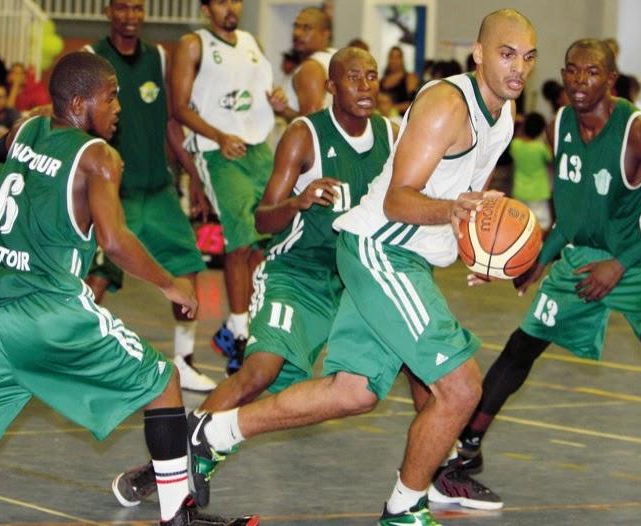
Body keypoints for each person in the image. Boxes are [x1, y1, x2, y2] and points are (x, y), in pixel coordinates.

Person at [0, 51, 257, 526]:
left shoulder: (30, 130)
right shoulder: (100, 157)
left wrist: (35, 118)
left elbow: (1, 150)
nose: (119, 106)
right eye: (111, 96)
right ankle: (175, 519)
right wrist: (171, 286)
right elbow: (114, 240)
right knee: (163, 381)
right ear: (80, 102)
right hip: (47, 307)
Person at [182, 11, 535, 525]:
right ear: (479, 53)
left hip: (404, 254)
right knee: (460, 388)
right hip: (382, 249)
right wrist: (457, 213)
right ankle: (405, 509)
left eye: (528, 57)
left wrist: (477, 250)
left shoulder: (501, 115)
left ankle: (214, 433)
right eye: (507, 54)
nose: (518, 68)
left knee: (353, 391)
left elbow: (458, 199)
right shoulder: (445, 105)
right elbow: (399, 200)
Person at [454, 39, 641, 526]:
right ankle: (465, 452)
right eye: (572, 72)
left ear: (611, 80)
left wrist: (620, 264)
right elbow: (571, 213)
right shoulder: (561, 124)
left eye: (592, 73)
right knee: (522, 345)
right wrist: (538, 260)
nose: (580, 82)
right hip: (587, 253)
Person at [81, 0, 217, 392]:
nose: (130, 16)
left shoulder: (159, 57)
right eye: (122, 8)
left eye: (137, 8)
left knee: (187, 267)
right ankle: (81, 358)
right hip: (112, 191)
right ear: (109, 11)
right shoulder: (91, 58)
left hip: (158, 189)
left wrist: (194, 179)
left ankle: (184, 360)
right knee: (98, 278)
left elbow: (172, 125)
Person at [172, 0, 285, 375]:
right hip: (218, 152)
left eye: (235, 0)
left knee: (267, 239)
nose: (231, 7)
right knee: (239, 242)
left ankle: (237, 325)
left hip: (257, 149)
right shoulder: (194, 43)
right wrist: (219, 137)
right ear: (206, 9)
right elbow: (179, 109)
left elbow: (264, 94)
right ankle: (239, 333)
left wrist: (278, 102)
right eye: (221, 1)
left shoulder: (252, 43)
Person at [278, 6, 335, 121]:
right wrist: (281, 108)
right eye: (296, 26)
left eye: (307, 28)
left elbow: (311, 125)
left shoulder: (311, 67)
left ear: (325, 34)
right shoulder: (335, 56)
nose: (297, 33)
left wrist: (284, 111)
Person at [510, 112, 553, 230]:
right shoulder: (540, 148)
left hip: (520, 190)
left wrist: (519, 125)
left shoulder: (515, 145)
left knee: (520, 223)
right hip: (538, 191)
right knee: (542, 223)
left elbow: (517, 135)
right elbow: (551, 159)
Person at [381, 45, 419, 115]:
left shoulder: (409, 77)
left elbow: (414, 102)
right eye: (391, 57)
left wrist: (392, 108)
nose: (394, 60)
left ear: (402, 59)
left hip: (401, 119)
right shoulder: (383, 80)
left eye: (397, 57)